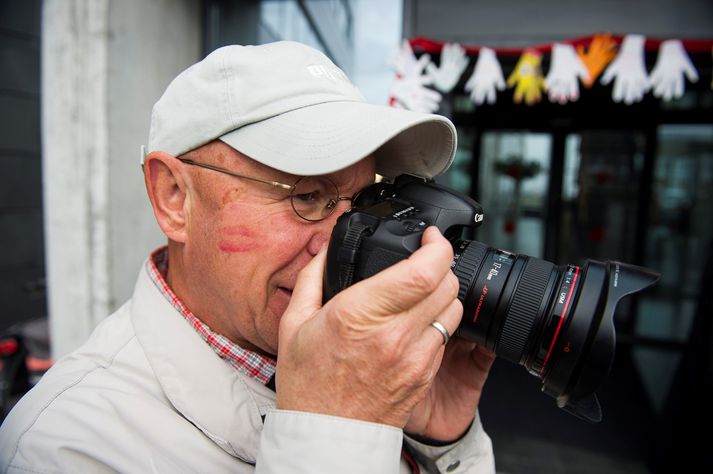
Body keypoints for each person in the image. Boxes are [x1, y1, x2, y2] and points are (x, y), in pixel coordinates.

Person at [0, 41, 495, 473]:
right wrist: (327, 429)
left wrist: (439, 445)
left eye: (367, 203)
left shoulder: (376, 375)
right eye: (307, 196)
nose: (348, 241)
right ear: (175, 197)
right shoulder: (63, 447)